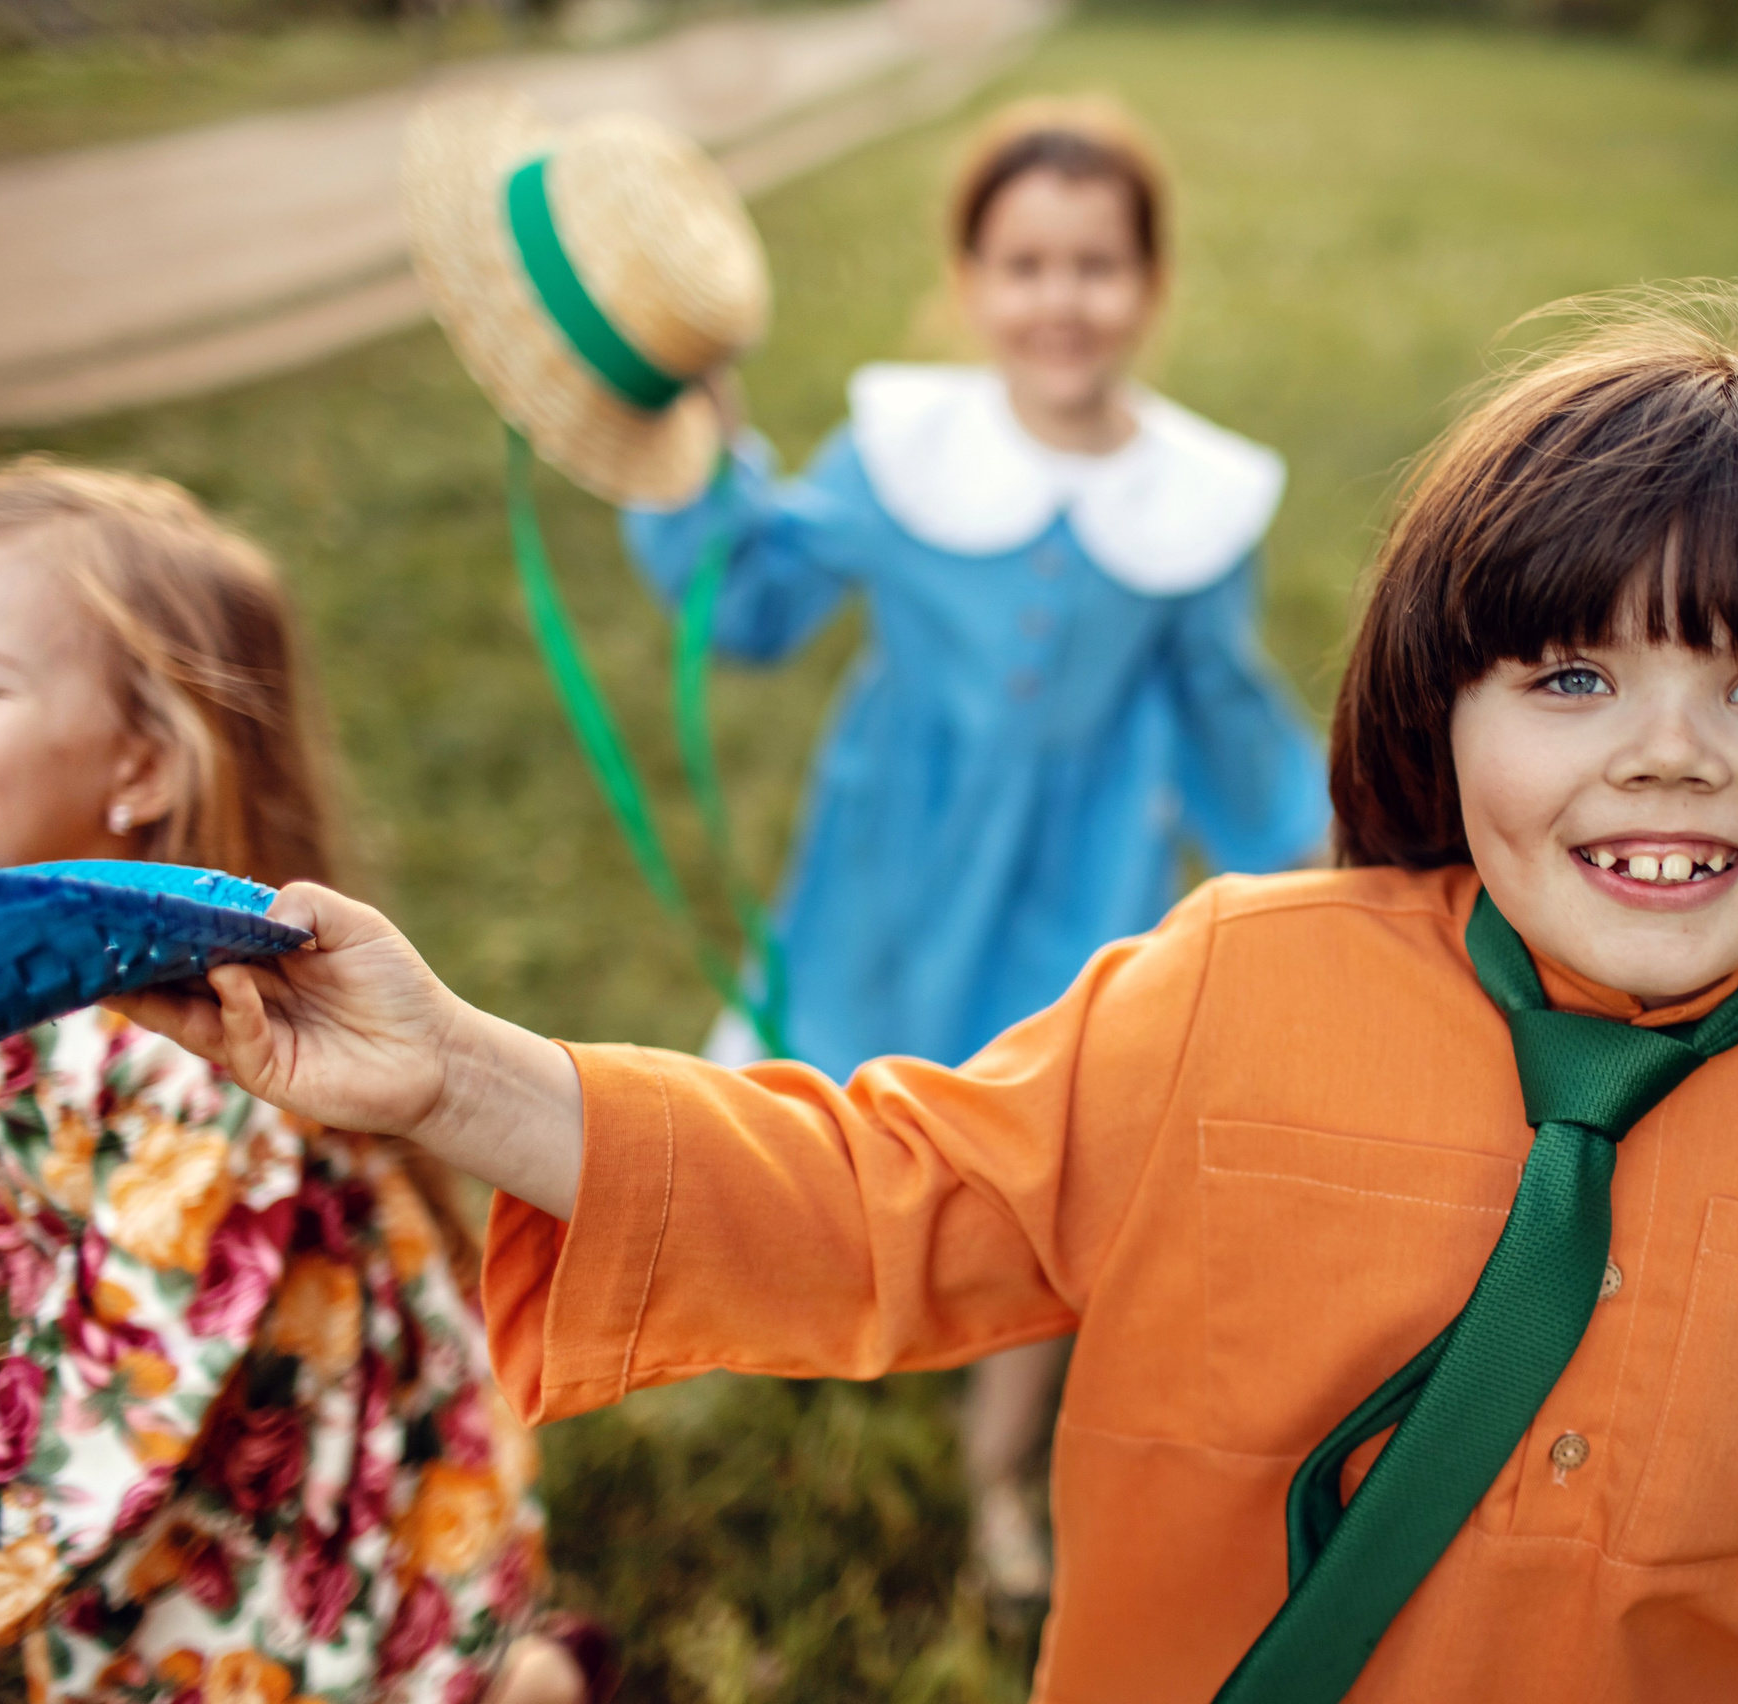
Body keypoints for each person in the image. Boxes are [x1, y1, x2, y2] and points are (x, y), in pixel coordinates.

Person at [121, 293, 1738, 1702]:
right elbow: (874, 1196)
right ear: (1431, 710)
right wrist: (462, 1075)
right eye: (1569, 678)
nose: (1668, 755)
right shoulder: (1228, 987)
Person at [618, 98, 1331, 1598]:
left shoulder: (1196, 502)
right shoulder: (904, 450)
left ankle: (998, 1477)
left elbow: (1223, 709)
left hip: (1078, 892)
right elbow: (755, 604)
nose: (1059, 300)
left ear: (1149, 281)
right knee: (808, 1101)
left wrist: (1335, 854)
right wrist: (699, 452)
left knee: (1051, 1170)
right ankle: (734, 1327)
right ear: (969, 280)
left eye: (1095, 264)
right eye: (1023, 264)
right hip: (891, 871)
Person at [0, 460, 605, 1704]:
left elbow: (120, 1384)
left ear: (140, 772)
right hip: (123, 1491)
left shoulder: (192, 1037)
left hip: (264, 1486)